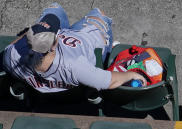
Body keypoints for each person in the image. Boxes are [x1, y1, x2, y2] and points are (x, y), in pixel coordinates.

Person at [2, 5, 143, 94]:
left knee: (54, 8)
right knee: (99, 13)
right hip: (87, 40)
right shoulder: (76, 66)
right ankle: (108, 50)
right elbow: (109, 81)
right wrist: (131, 75)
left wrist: (29, 37)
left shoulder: (13, 56)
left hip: (53, 89)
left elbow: (13, 45)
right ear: (54, 44)